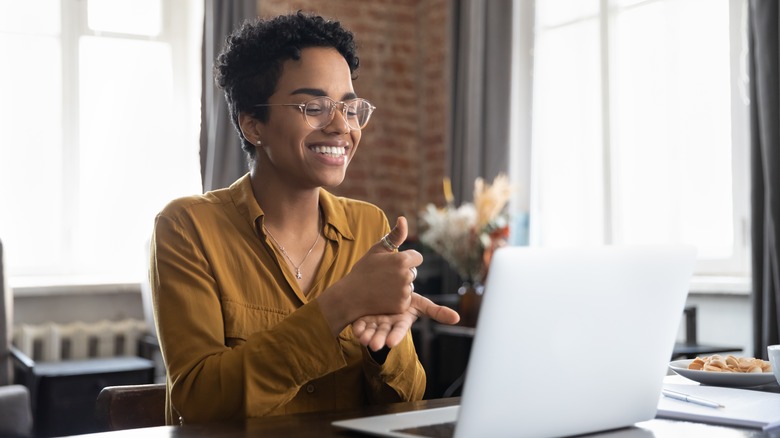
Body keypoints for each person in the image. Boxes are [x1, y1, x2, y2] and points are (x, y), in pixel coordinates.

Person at [149, 11, 460, 425]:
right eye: (314, 106)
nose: (340, 127)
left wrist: (385, 348)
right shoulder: (187, 228)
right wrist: (339, 306)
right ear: (253, 124)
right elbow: (200, 403)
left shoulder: (370, 227)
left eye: (350, 110)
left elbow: (408, 399)